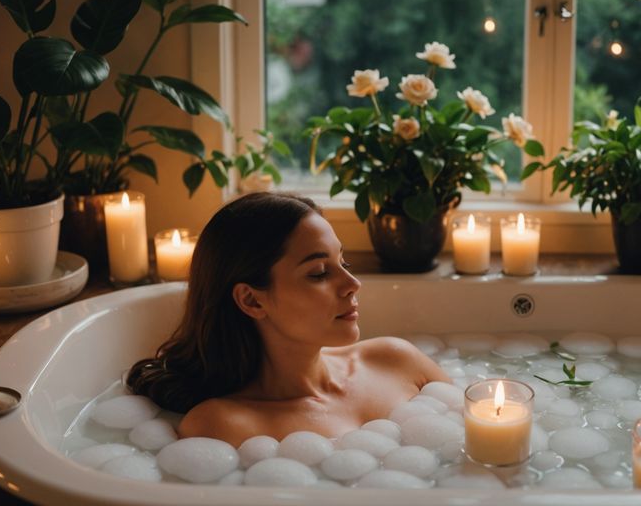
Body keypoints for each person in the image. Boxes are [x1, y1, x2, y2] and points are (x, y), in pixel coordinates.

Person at [127, 192, 450, 447]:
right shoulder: (223, 427)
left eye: (343, 261)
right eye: (320, 273)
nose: (353, 284)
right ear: (252, 300)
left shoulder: (397, 361)